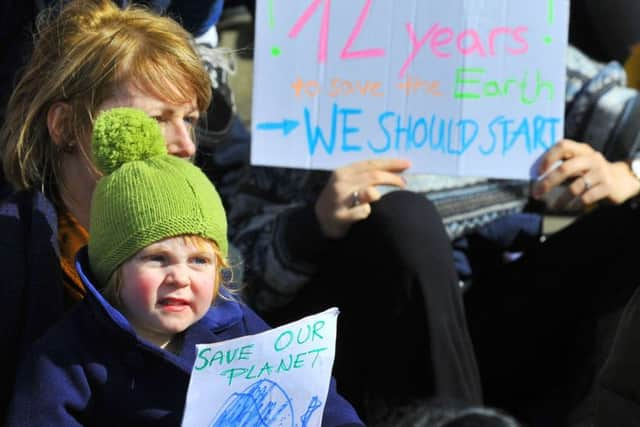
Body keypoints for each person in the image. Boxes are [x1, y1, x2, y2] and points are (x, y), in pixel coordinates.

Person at [5, 107, 363, 426]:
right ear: (113, 268)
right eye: (157, 259)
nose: (179, 277)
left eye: (199, 261)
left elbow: (314, 394)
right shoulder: (70, 357)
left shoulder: (236, 327)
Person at [0, 0, 231, 420]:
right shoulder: (12, 253)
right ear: (65, 126)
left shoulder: (198, 243)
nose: (186, 145)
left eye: (190, 119)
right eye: (157, 119)